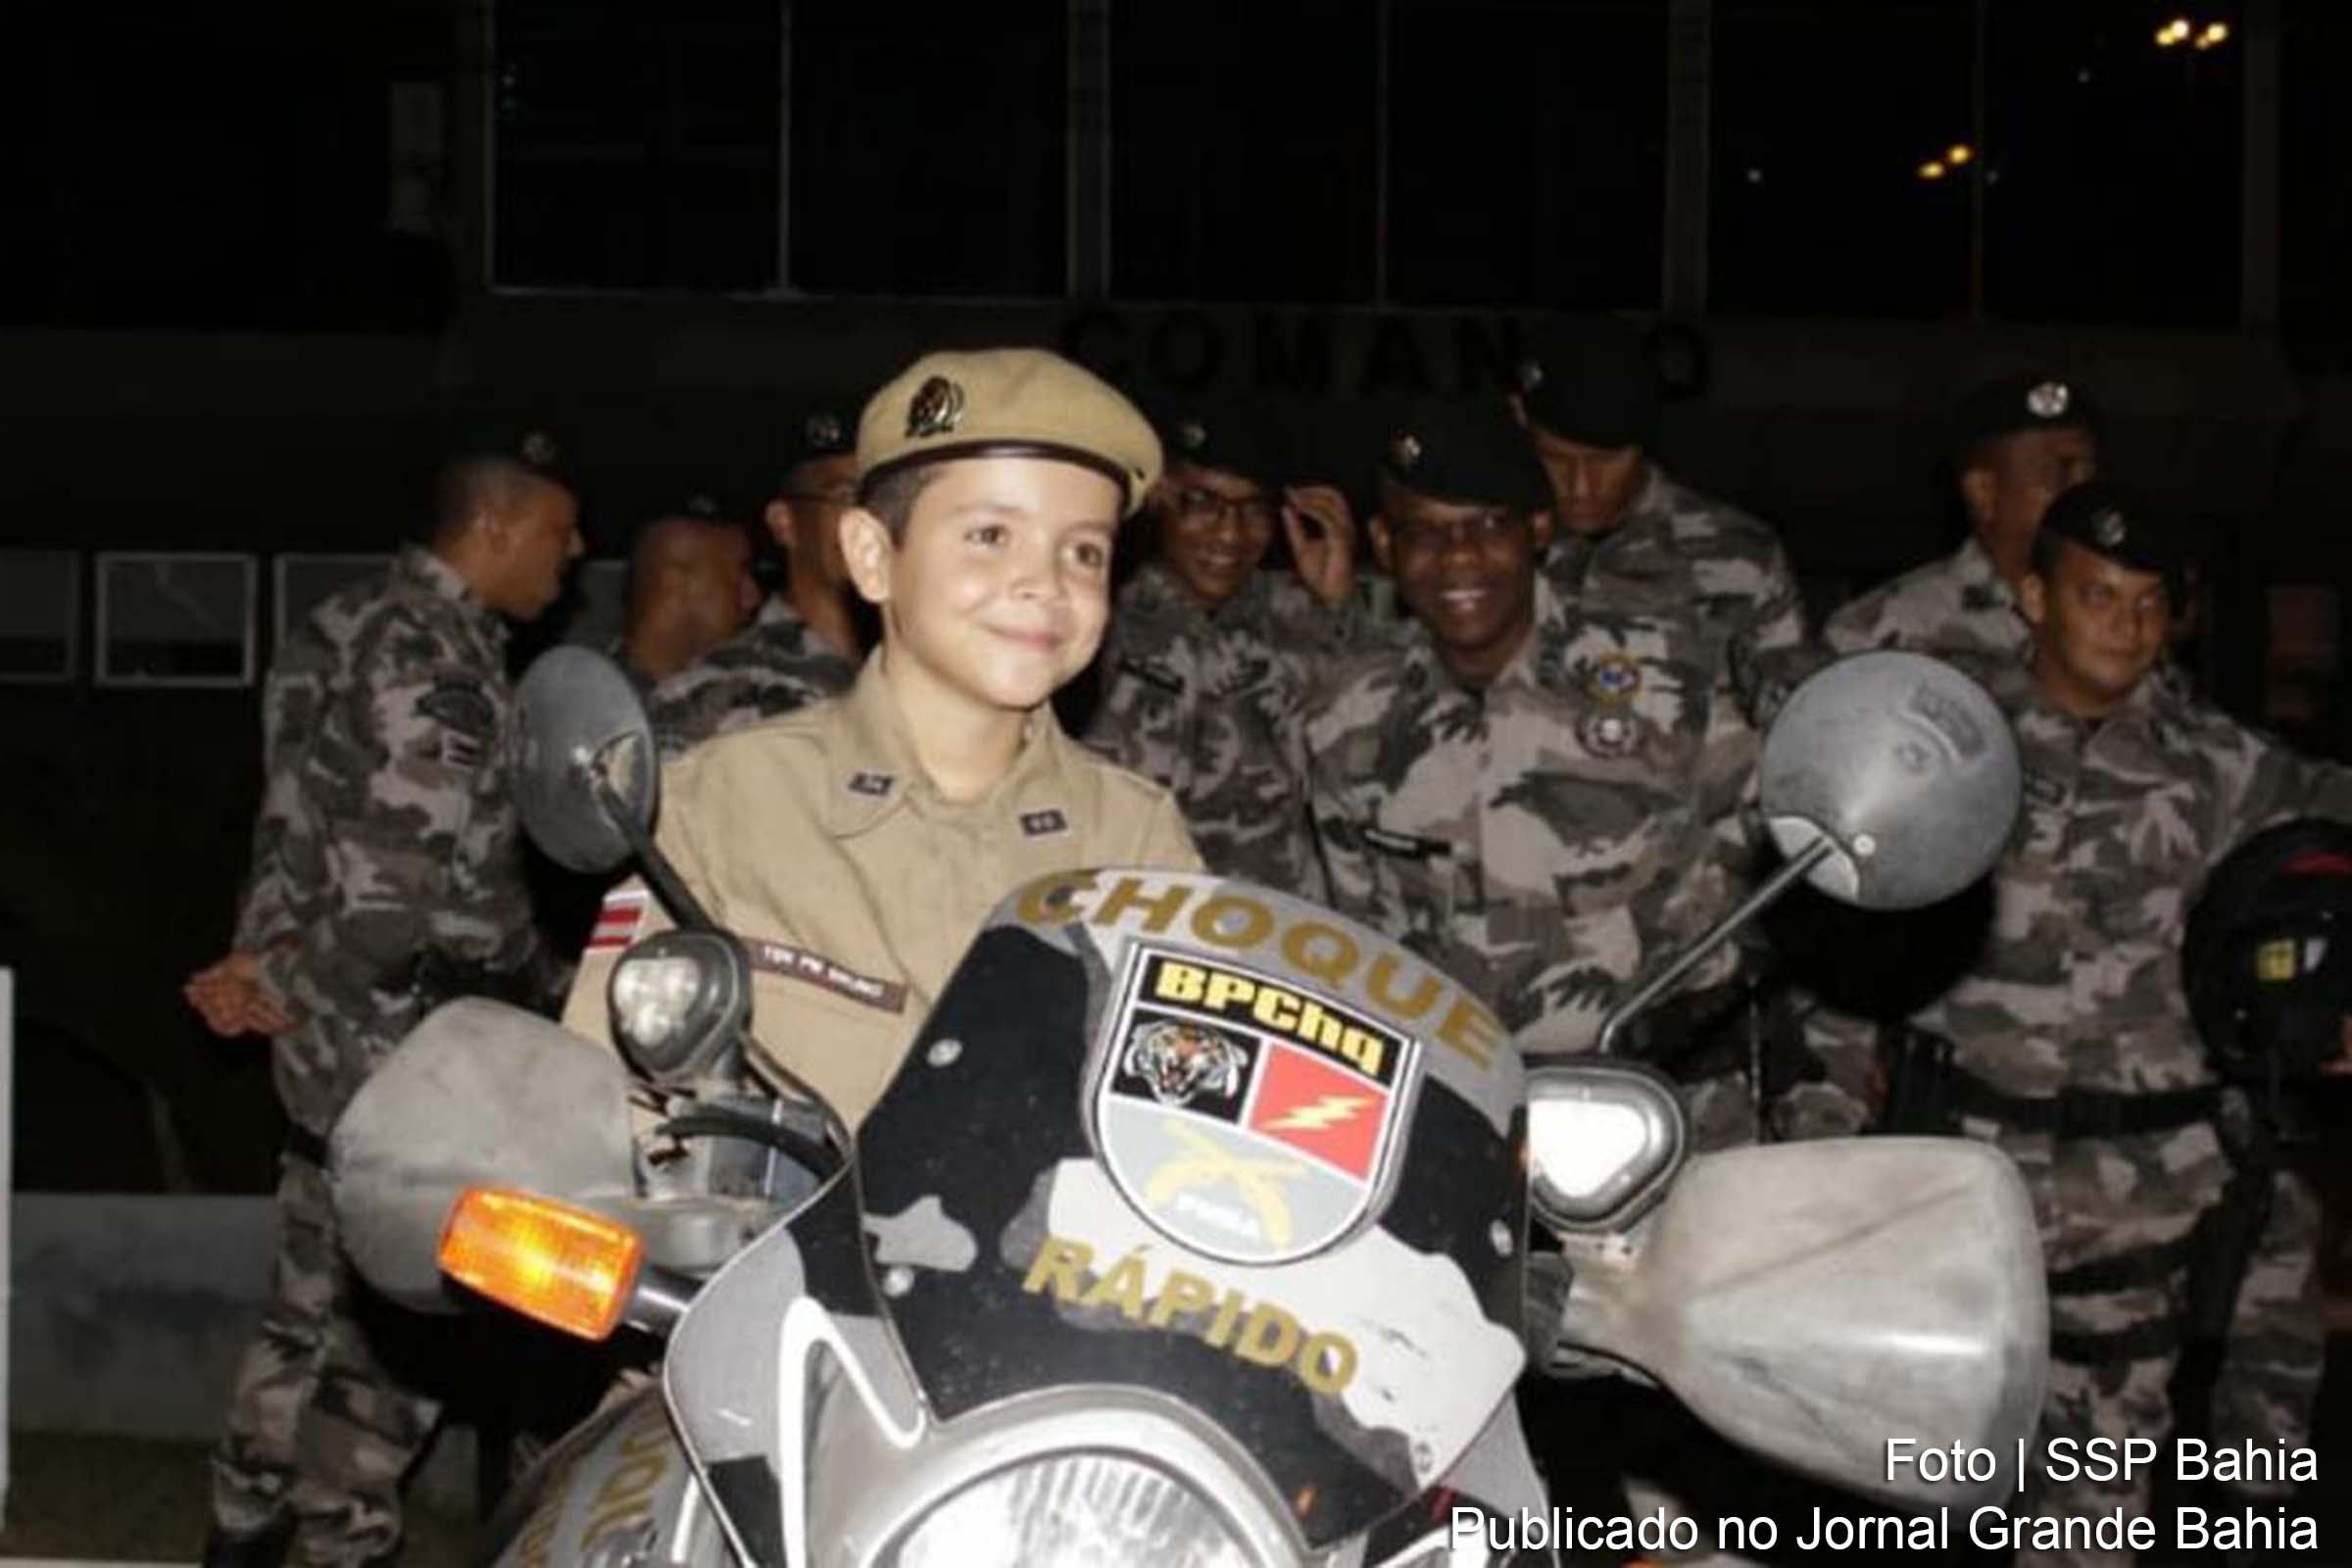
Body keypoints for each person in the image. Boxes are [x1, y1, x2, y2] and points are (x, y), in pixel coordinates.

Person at [1843, 482, 2349, 1564]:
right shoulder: (1942, 753)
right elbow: (1836, 935)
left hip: (2140, 1221)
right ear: (2033, 596)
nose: (2128, 624)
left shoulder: (2231, 769)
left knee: (2087, 1532)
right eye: (2098, 594)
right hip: (1957, 1208)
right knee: (1918, 1512)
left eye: (2151, 602)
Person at [561, 349, 1201, 1127]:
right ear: (871, 556)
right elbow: (605, 1124)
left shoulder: (1135, 840)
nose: (1046, 581)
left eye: (1085, 551)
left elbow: (1188, 1128)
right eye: (991, 535)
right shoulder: (721, 807)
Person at [182, 434, 582, 1568]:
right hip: (404, 1036)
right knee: (406, 1325)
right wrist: (292, 974)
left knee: (310, 1299)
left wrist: (261, 967)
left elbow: (294, 826)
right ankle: (340, 1540)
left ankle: (246, 1527)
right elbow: (393, 883)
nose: (574, 553)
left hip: (324, 1022)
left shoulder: (344, 620)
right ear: (496, 526)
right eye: (560, 532)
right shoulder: (440, 657)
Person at [1083, 407, 1365, 894]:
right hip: (1132, 915)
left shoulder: (1299, 616)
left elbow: (1372, 754)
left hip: (1277, 926)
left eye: (1252, 509)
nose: (1230, 533)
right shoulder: (1094, 615)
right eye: (1201, 502)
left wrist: (1338, 605)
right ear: (1162, 499)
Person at [1824, 371, 2099, 659]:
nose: (2083, 493)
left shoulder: (2127, 624)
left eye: (2090, 473)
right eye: (2055, 474)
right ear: (1984, 491)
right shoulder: (1886, 628)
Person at [645, 408, 864, 757]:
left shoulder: (932, 678)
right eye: (847, 497)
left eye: (881, 498)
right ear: (784, 523)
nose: (868, 519)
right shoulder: (715, 694)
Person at [612, 500, 759, 691]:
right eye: (739, 576)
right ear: (673, 581)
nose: (753, 596)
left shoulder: (752, 691)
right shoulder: (585, 699)